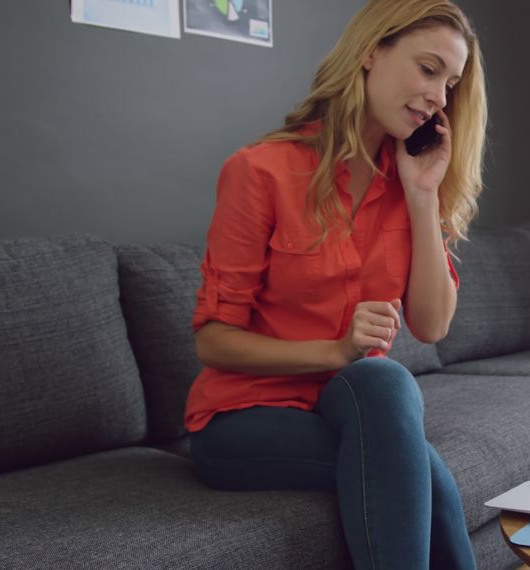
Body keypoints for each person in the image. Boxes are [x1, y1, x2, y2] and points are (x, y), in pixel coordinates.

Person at [183, 1, 486, 568]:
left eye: (451, 83)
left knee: (382, 379)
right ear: (372, 52)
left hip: (347, 405)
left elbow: (432, 323)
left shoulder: (409, 181)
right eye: (428, 69)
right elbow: (213, 340)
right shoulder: (261, 171)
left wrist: (423, 196)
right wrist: (335, 350)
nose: (439, 97)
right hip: (244, 420)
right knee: (418, 464)